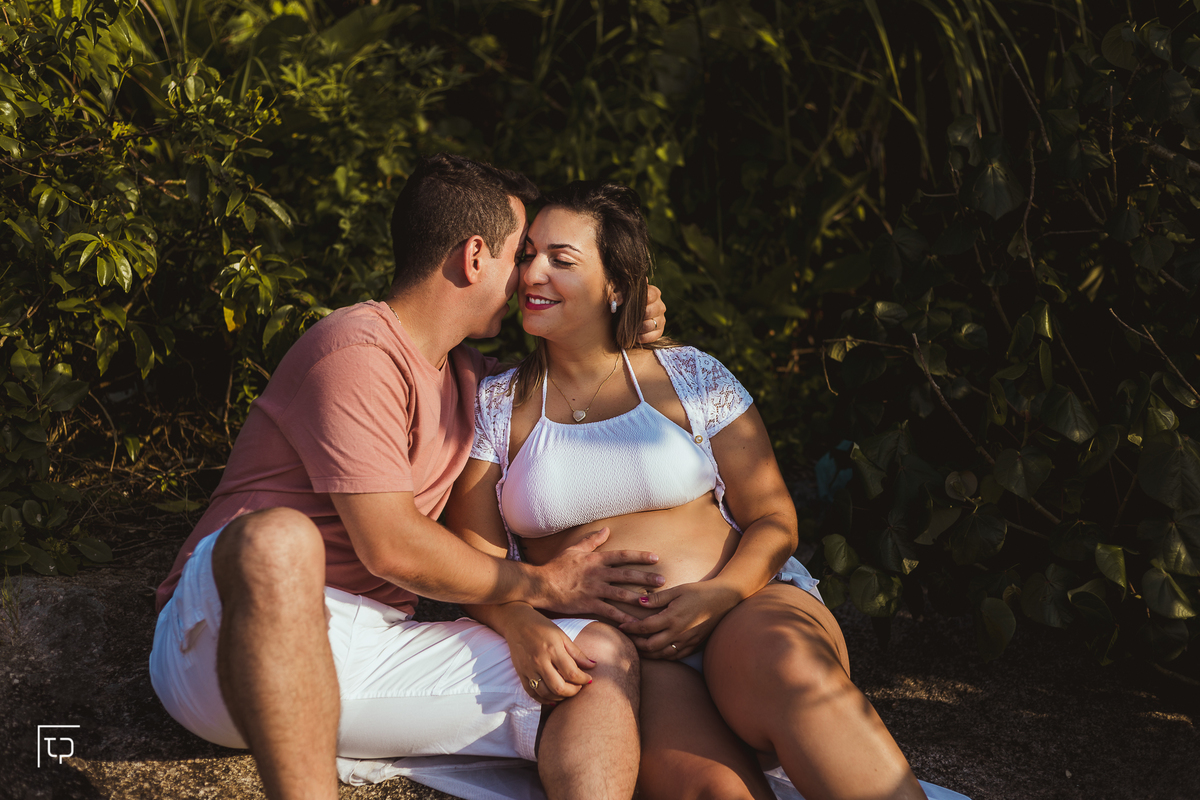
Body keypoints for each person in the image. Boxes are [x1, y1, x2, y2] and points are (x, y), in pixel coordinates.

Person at [148, 155, 669, 800]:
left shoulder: (470, 376)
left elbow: (575, 368)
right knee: (276, 539)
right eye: (521, 255)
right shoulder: (355, 349)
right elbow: (389, 544)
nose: (530, 278)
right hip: (230, 641)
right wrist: (536, 585)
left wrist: (619, 310)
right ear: (475, 256)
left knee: (594, 659)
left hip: (370, 649)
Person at [447, 181, 932, 800]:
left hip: (745, 606)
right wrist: (518, 622)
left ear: (616, 284)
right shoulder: (497, 403)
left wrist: (718, 595)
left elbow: (775, 518)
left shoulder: (690, 375)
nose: (533, 273)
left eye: (561, 260)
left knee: (797, 676)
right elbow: (471, 559)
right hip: (632, 654)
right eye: (528, 255)